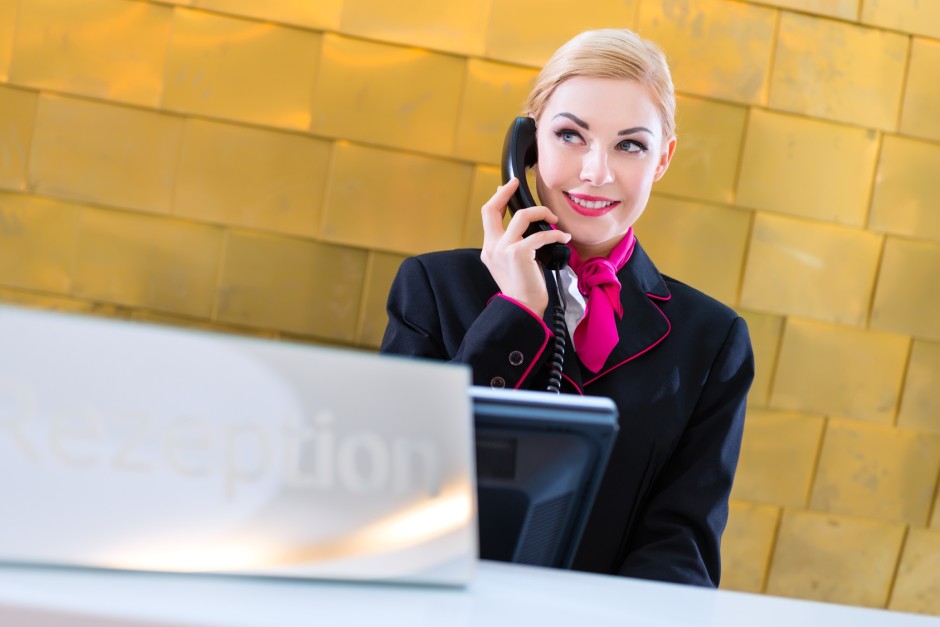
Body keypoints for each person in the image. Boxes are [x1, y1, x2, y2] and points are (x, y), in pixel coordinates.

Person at [381, 28, 753, 588]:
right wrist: (514, 316)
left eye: (630, 145)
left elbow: (682, 551)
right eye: (571, 136)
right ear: (527, 145)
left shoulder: (713, 340)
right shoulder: (432, 287)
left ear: (663, 159)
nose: (596, 172)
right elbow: (396, 489)